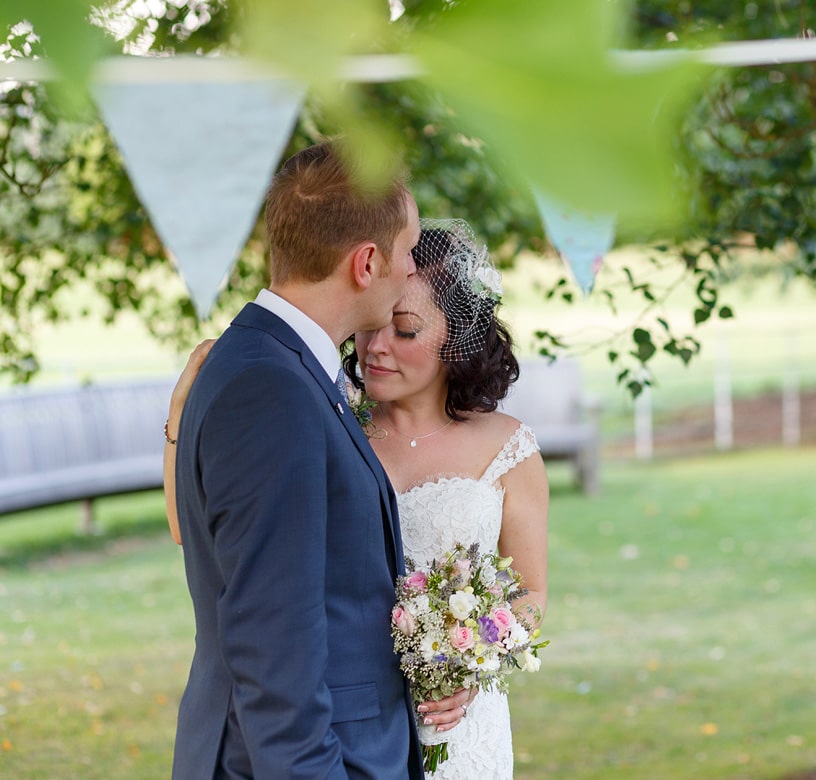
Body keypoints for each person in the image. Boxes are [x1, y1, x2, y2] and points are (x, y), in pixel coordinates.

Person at [166, 218, 549, 780]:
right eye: (374, 325)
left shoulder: (509, 449)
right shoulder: (326, 418)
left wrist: (470, 663)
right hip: (346, 725)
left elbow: (533, 591)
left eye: (407, 331)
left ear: (457, 338)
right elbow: (190, 530)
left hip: (459, 727)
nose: (376, 347)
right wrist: (180, 420)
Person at [168, 141, 429, 780]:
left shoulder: (279, 366)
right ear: (367, 263)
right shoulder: (270, 389)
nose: (412, 271)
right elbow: (273, 647)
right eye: (409, 251)